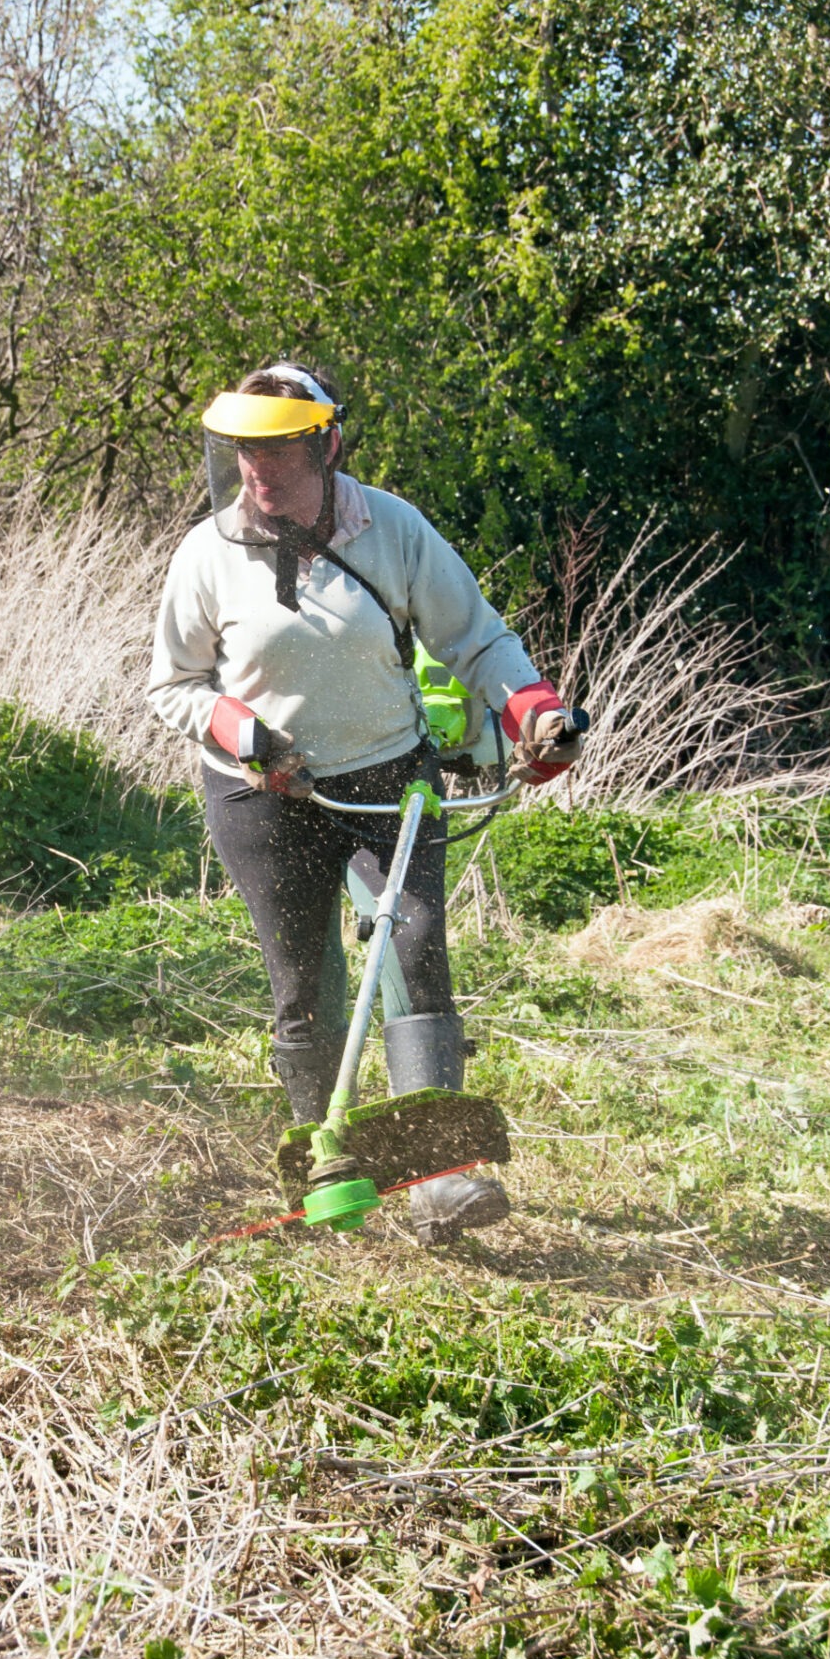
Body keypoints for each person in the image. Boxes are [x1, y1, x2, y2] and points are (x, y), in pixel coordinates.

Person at [147, 363, 581, 1245]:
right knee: (300, 981)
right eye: (242, 454)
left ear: (325, 443)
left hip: (385, 778)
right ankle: (331, 1162)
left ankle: (439, 1179)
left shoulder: (393, 529)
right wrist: (240, 732)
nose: (257, 473)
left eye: (276, 453)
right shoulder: (205, 553)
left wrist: (531, 710)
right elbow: (173, 685)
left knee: (413, 941)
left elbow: (476, 637)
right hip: (262, 792)